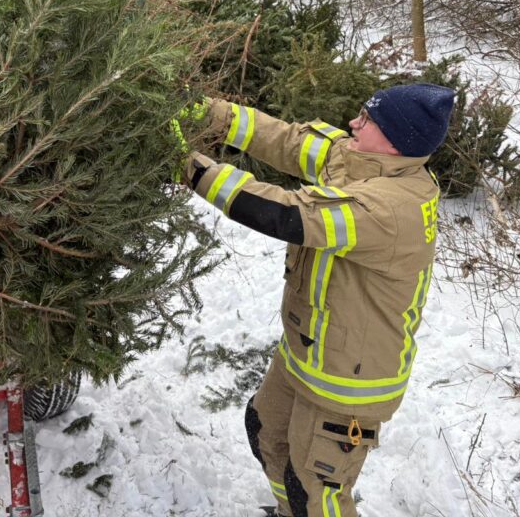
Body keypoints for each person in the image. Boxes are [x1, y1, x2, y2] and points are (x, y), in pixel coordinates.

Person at [182, 83, 455, 517]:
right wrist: (203, 112)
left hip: (346, 384)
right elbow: (286, 139)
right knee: (265, 431)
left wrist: (190, 167)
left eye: (367, 120)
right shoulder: (359, 159)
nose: (353, 122)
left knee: (316, 491)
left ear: (396, 141)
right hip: (307, 352)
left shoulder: (388, 208)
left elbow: (287, 214)